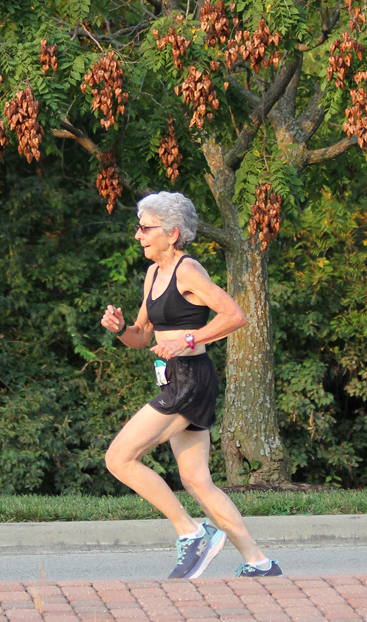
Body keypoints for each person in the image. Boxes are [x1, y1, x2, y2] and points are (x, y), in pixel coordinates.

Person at [101, 191, 282, 580]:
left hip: (190, 380)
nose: (138, 235)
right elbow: (142, 335)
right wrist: (120, 330)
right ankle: (260, 562)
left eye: (146, 228)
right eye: (139, 227)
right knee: (197, 480)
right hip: (176, 378)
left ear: (172, 233)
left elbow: (235, 315)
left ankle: (191, 532)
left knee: (118, 459)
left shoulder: (187, 271)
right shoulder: (153, 274)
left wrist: (187, 341)